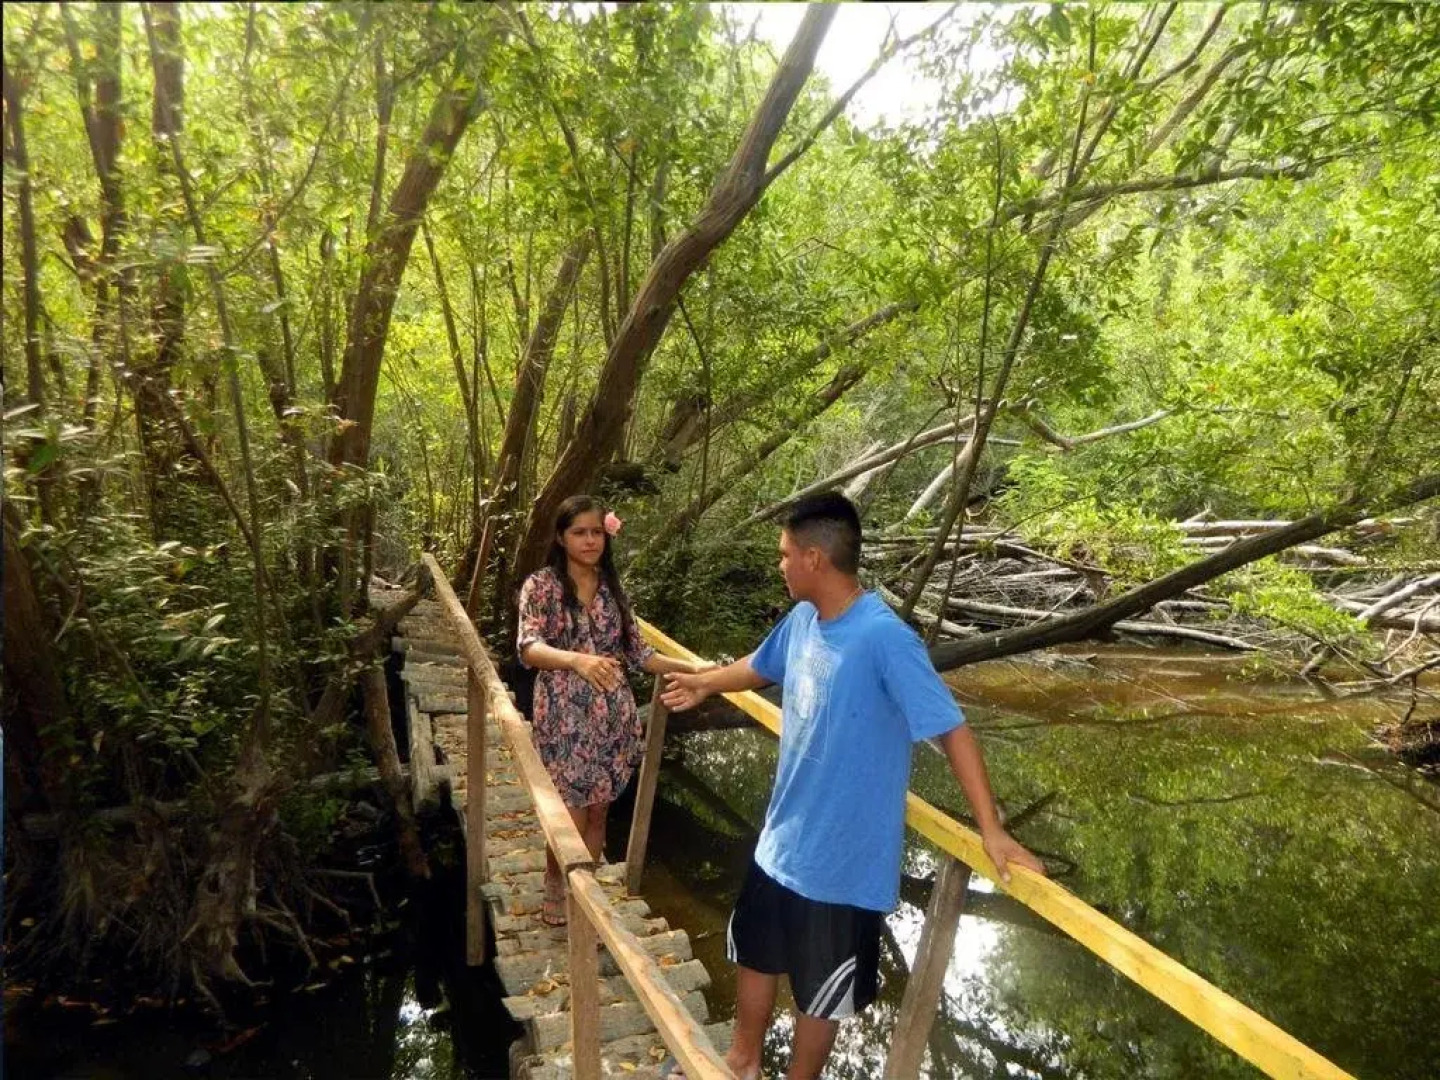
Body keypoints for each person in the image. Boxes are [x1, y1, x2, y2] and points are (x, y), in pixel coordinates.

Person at [658, 492, 1044, 1080]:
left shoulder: (885, 639)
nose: (780, 564)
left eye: (785, 554)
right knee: (756, 958)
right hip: (777, 845)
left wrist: (991, 830)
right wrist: (707, 683)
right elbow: (761, 666)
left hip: (839, 869)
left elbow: (954, 732)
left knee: (819, 997)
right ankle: (740, 1062)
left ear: (815, 558)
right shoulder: (804, 621)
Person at [517, 495, 702, 926]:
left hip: (611, 716)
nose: (589, 540)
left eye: (596, 532)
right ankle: (555, 883)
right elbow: (528, 648)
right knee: (569, 810)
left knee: (599, 806)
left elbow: (641, 654)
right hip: (563, 714)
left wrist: (699, 670)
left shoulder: (613, 588)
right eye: (579, 532)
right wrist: (578, 660)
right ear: (562, 538)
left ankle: (588, 891)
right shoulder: (541, 585)